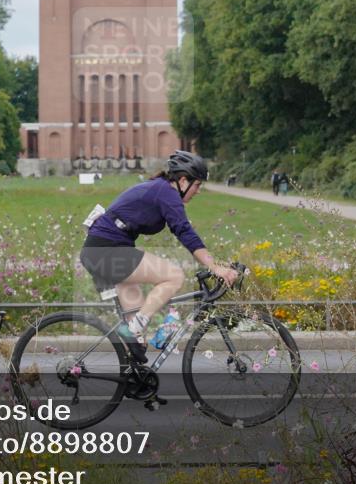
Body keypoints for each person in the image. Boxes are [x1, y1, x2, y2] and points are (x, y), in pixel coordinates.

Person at [80, 150, 239, 362]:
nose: (198, 191)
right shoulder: (167, 192)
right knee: (173, 276)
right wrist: (215, 267)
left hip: (105, 249)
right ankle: (135, 329)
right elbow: (184, 231)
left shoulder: (160, 189)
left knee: (136, 341)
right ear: (183, 181)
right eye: (198, 185)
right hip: (106, 251)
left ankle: (137, 384)